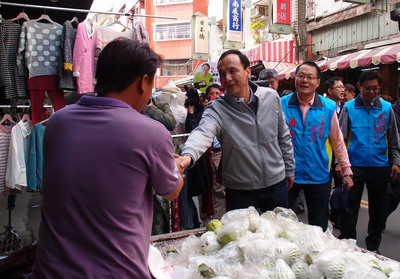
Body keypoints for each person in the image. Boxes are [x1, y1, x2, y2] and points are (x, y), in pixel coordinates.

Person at [28, 38, 184, 279]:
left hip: (50, 271)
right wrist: (174, 167)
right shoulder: (152, 133)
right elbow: (171, 191)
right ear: (143, 82)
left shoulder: (58, 121)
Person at [178, 49, 295, 213]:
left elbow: (283, 136)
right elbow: (202, 133)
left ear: (247, 72)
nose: (227, 78)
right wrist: (187, 155)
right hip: (240, 189)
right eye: (222, 73)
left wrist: (289, 168)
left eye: (233, 71)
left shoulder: (271, 97)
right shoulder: (217, 108)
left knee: (278, 234)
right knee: (242, 238)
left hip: (276, 183)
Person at [280, 61, 353, 231]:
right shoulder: (282, 104)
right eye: (301, 76)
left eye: (310, 77)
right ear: (295, 78)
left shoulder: (328, 107)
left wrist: (346, 169)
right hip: (287, 173)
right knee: (281, 222)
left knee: (318, 224)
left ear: (318, 82)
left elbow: (337, 140)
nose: (305, 80)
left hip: (318, 172)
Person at [338, 70, 400, 253]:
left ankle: (374, 247)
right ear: (359, 87)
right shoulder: (349, 108)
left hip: (379, 167)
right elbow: (340, 139)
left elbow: (393, 140)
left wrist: (396, 162)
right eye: (367, 88)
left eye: (375, 89)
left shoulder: (387, 108)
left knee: (378, 211)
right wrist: (341, 165)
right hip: (354, 166)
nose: (371, 92)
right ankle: (348, 245)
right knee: (350, 209)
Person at [383, 85, 400, 230]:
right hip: (394, 159)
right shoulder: (390, 111)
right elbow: (393, 138)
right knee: (394, 195)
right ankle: (381, 217)